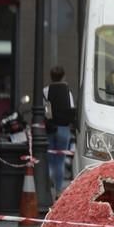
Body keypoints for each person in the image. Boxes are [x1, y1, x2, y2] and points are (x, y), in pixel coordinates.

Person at [43, 65, 75, 197]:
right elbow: (72, 108)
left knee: (50, 159)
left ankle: (47, 187)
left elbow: (43, 109)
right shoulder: (67, 91)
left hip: (50, 127)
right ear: (63, 76)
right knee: (60, 160)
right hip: (63, 128)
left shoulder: (45, 90)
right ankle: (58, 191)